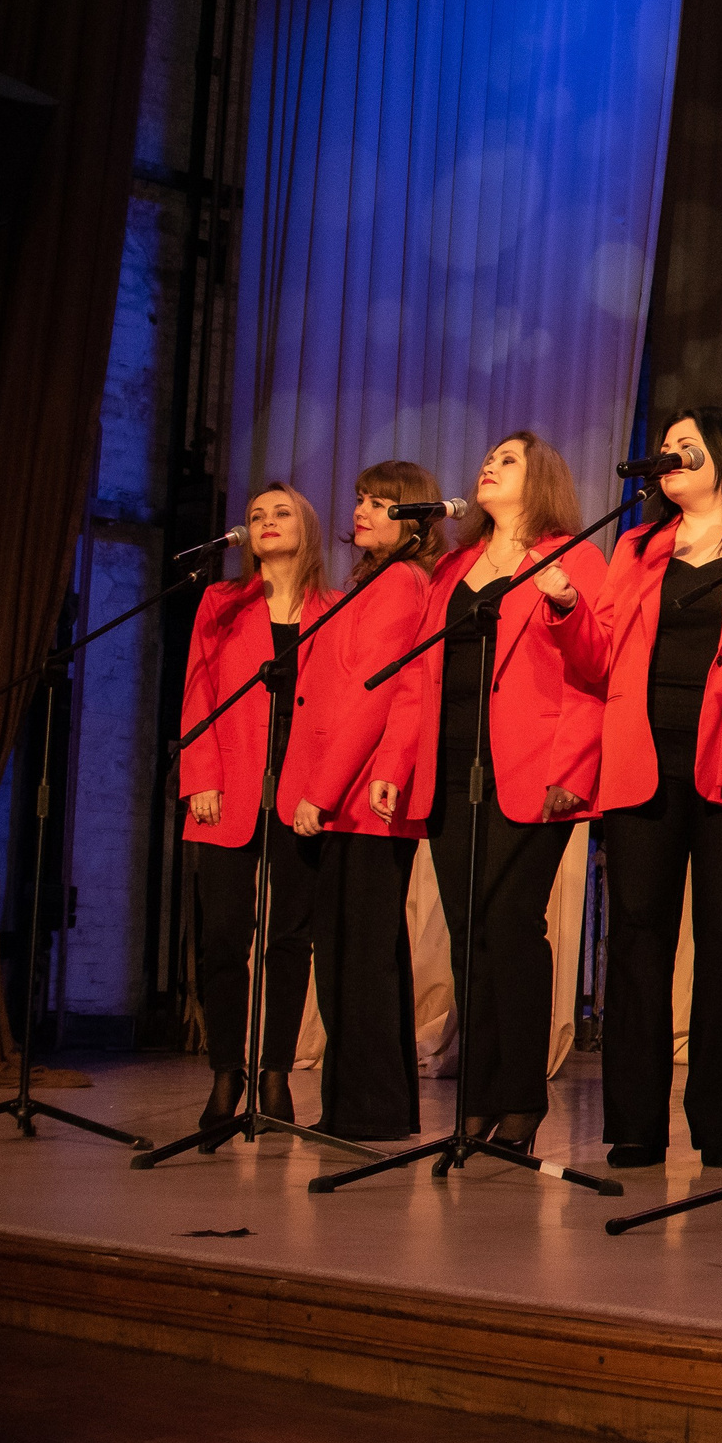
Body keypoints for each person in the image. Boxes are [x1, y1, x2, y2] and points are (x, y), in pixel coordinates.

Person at [373, 432, 604, 1153]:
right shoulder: (453, 569)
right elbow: (417, 680)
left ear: (542, 478)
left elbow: (597, 669)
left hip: (533, 769)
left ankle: (522, 1101)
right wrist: (394, 761)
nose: (489, 466)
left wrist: (572, 766)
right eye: (489, 458)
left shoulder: (575, 555)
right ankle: (475, 1099)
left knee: (512, 927)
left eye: (508, 460)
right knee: (470, 937)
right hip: (452, 768)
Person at [573, 408, 722, 1172]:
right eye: (665, 448)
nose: (670, 456)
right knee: (635, 938)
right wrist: (566, 612)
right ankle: (634, 1122)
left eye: (686, 445)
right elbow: (597, 654)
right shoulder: (637, 546)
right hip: (640, 761)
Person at [274, 462, 442, 1141]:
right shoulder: (371, 581)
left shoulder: (401, 582)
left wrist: (322, 790)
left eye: (381, 503)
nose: (363, 511)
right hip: (346, 793)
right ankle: (362, 1106)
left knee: (359, 953)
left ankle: (368, 1108)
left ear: (413, 519)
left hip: (360, 795)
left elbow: (373, 693)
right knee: (352, 950)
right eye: (361, 498)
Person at [179, 482, 331, 1138]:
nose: (267, 522)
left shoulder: (335, 607)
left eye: (281, 511)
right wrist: (201, 775)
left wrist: (322, 789)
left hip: (299, 794)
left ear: (309, 526)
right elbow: (198, 694)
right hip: (227, 789)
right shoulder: (221, 602)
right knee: (222, 939)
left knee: (290, 939)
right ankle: (225, 1071)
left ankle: (274, 1071)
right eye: (256, 515)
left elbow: (337, 711)